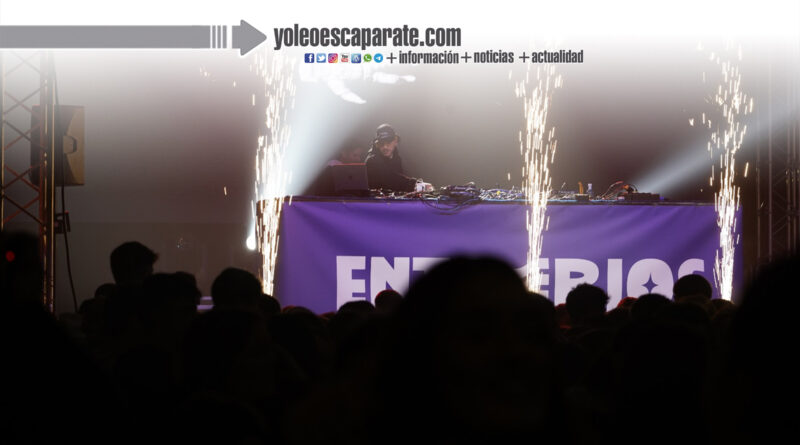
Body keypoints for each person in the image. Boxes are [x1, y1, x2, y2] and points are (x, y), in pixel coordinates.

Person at [365, 124, 430, 192]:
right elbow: (391, 179)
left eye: (388, 142)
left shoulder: (397, 158)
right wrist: (416, 185)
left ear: (395, 141)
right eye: (381, 143)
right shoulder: (372, 161)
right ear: (377, 144)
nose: (385, 147)